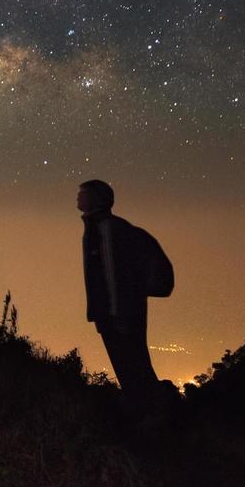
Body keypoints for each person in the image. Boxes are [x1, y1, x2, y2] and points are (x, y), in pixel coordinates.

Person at [79, 179, 174, 423]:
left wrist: (114, 314)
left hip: (119, 315)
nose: (78, 199)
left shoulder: (107, 230)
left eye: (84, 194)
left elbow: (113, 276)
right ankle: (151, 417)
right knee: (133, 368)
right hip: (115, 313)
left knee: (133, 368)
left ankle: (153, 420)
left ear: (98, 199)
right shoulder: (99, 229)